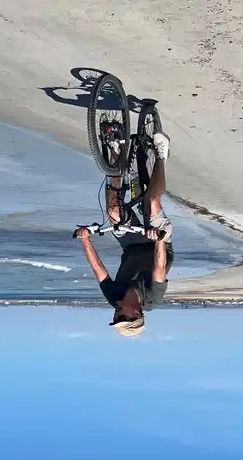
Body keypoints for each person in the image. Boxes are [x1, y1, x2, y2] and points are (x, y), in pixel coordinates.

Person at [74, 132, 173, 337]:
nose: (115, 316)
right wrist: (159, 239)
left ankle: (115, 152)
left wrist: (85, 240)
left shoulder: (113, 297)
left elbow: (98, 269)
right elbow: (160, 266)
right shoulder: (153, 298)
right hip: (158, 245)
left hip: (132, 245)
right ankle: (162, 155)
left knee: (113, 211)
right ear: (136, 313)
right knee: (152, 202)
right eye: (121, 319)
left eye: (114, 320)